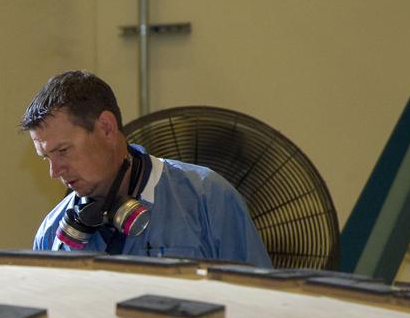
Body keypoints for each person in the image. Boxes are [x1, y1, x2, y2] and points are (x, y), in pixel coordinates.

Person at [21, 70, 271, 267]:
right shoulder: (51, 234)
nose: (54, 171)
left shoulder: (208, 198)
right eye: (46, 157)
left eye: (63, 151)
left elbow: (262, 303)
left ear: (106, 128)